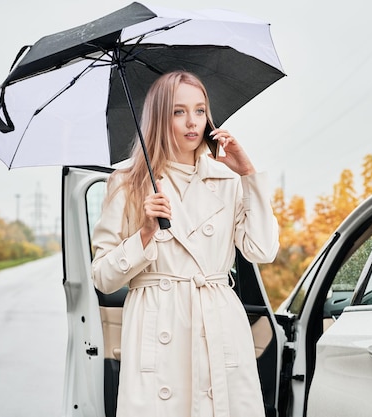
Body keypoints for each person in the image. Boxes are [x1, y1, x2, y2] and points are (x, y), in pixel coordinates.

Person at [91, 71, 279, 417]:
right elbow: (102, 277)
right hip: (158, 320)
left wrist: (249, 175)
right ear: (160, 117)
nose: (192, 122)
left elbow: (262, 250)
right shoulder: (127, 183)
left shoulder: (226, 179)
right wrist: (145, 232)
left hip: (217, 321)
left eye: (200, 110)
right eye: (179, 112)